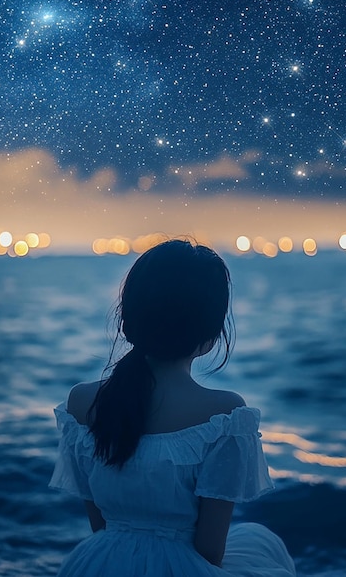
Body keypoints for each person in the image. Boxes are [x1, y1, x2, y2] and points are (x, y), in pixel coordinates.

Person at [50, 239, 296, 576]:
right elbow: (209, 552)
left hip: (98, 562)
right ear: (210, 336)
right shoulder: (225, 415)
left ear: (127, 322)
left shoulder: (81, 402)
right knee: (263, 542)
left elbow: (101, 525)